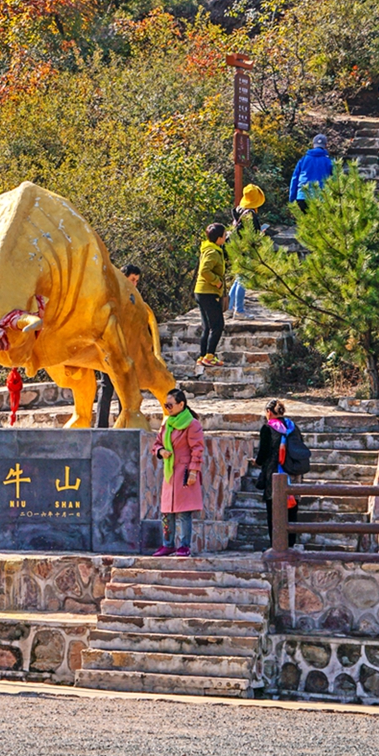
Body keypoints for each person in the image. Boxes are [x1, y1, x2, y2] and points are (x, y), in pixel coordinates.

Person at [150, 389, 205, 558]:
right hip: (169, 472)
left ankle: (184, 545)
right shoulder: (167, 423)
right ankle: (167, 544)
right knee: (167, 512)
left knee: (183, 512)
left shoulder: (192, 424)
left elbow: (197, 449)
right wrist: (161, 451)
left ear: (181, 404)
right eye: (165, 405)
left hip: (184, 471)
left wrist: (193, 472)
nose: (168, 408)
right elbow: (157, 444)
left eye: (170, 405)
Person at [95, 264, 143, 427]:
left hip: (127, 349)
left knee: (126, 389)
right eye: (132, 279)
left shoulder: (134, 297)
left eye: (137, 281)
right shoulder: (110, 295)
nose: (135, 283)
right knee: (107, 387)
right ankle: (100, 426)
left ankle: (125, 424)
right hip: (109, 348)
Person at [253, 400, 301, 549]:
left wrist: (257, 462)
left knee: (273, 509)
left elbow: (263, 453)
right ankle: (291, 543)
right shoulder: (293, 428)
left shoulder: (267, 428)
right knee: (291, 508)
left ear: (269, 412)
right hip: (292, 473)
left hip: (273, 474)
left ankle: (275, 543)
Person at [227, 185, 265, 320]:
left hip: (237, 248)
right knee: (243, 279)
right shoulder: (250, 214)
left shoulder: (239, 210)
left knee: (238, 279)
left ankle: (229, 309)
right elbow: (252, 235)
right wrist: (261, 234)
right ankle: (239, 310)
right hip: (246, 250)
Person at [194, 224, 227, 368]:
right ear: (219, 238)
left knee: (207, 326)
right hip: (208, 292)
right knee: (218, 325)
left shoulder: (209, 249)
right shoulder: (212, 252)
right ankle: (210, 355)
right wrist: (217, 282)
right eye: (224, 235)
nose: (226, 237)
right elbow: (204, 270)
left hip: (202, 292)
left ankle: (203, 356)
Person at [289, 134, 334, 212]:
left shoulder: (303, 160)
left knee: (306, 222)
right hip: (322, 198)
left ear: (313, 145)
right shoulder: (329, 162)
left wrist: (292, 198)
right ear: (326, 145)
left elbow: (295, 179)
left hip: (302, 196)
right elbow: (335, 180)